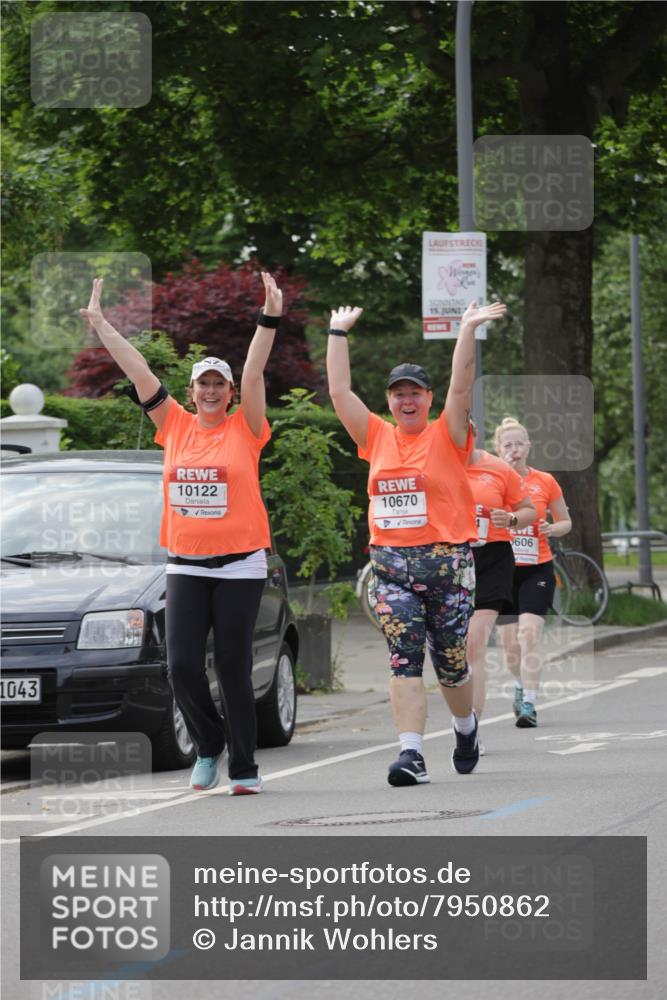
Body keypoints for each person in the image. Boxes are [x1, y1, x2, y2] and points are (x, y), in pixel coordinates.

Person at [80, 272, 282, 794]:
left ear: (230, 392)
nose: (211, 391)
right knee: (184, 666)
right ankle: (208, 745)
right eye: (203, 384)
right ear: (191, 391)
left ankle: (243, 766)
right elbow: (137, 368)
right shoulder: (173, 424)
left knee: (234, 666)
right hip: (186, 563)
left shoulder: (247, 428)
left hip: (240, 563)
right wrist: (102, 325)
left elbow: (257, 370)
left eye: (219, 384)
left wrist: (268, 317)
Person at [327, 299, 507, 786]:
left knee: (451, 665)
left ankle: (466, 728)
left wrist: (466, 329)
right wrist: (336, 333)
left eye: (415, 394)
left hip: (447, 565)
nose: (407, 401)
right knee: (404, 656)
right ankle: (411, 755)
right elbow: (339, 390)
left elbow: (463, 384)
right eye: (398, 394)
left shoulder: (447, 434)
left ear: (428, 399)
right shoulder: (376, 437)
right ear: (388, 401)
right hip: (391, 568)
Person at [493, 417, 572, 727]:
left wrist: (552, 527)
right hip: (501, 570)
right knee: (510, 646)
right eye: (507, 445)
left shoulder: (545, 481)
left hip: (536, 567)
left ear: (529, 447)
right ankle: (519, 683)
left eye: (519, 444)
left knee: (529, 633)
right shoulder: (492, 482)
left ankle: (529, 703)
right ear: (498, 450)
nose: (514, 450)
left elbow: (566, 521)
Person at [466, 427, 536, 734]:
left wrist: (509, 520)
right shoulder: (434, 464)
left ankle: (470, 729)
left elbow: (528, 511)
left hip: (494, 559)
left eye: (465, 430)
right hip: (448, 560)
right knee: (454, 653)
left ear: (474, 433)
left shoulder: (497, 468)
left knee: (474, 643)